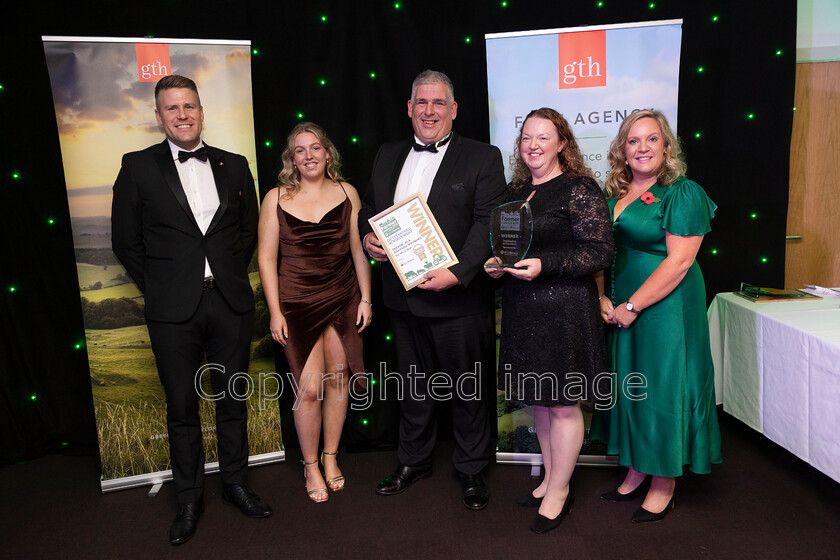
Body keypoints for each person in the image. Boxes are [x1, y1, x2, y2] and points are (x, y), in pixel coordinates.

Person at [111, 75, 271, 545]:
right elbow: (126, 240)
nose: (182, 115)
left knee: (232, 399)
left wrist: (222, 274)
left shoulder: (236, 164)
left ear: (201, 112)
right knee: (181, 407)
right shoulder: (137, 166)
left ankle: (236, 484)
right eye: (172, 108)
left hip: (229, 302)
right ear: (158, 116)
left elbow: (248, 231)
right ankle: (188, 498)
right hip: (171, 308)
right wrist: (162, 286)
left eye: (190, 106)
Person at [358, 69, 507, 510]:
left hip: (458, 298)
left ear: (454, 109)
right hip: (402, 299)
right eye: (421, 102)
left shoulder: (483, 156)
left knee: (467, 389)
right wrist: (369, 238)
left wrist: (458, 272)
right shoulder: (387, 154)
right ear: (409, 108)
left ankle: (472, 468)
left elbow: (489, 221)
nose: (429, 110)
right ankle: (414, 460)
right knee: (413, 387)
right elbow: (371, 207)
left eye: (438, 103)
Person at [484, 108, 613, 533]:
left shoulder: (579, 188)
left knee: (562, 406)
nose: (533, 145)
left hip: (565, 312)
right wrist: (499, 265)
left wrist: (547, 264)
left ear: (562, 143)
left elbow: (599, 252)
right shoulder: (518, 192)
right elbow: (515, 249)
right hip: (524, 308)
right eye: (526, 138)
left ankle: (560, 489)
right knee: (540, 401)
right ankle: (551, 477)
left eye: (543, 137)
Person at [592, 109, 722, 523]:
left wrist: (633, 305)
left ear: (667, 146)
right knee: (635, 384)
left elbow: (680, 262)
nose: (642, 148)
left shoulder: (682, 192)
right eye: (633, 141)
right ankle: (638, 466)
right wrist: (602, 297)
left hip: (666, 306)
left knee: (664, 387)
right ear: (622, 150)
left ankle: (664, 479)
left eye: (651, 139)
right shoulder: (614, 192)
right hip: (623, 305)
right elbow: (601, 253)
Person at [257, 122, 371, 503]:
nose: (308, 156)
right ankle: (309, 465)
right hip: (296, 302)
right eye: (300, 150)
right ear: (292, 158)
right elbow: (267, 257)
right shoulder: (274, 197)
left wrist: (366, 299)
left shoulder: (347, 192)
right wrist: (275, 311)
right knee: (309, 389)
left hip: (342, 296)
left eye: (315, 148)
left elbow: (358, 250)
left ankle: (330, 456)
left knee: (338, 378)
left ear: (327, 153)